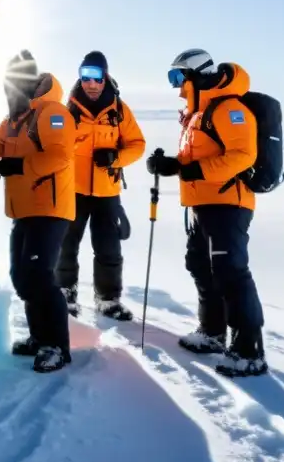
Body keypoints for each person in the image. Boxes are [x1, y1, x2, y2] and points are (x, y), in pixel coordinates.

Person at [0, 50, 77, 374]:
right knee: (21, 277)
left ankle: (57, 346)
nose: (12, 87)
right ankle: (38, 338)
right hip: (23, 211)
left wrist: (17, 165)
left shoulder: (53, 113)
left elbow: (60, 156)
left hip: (49, 209)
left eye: (18, 80)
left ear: (32, 81)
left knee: (39, 276)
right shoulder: (14, 120)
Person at [145, 48, 268, 377]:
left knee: (231, 271)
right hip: (203, 203)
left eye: (177, 77)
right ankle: (212, 332)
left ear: (196, 74)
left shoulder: (228, 108)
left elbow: (243, 155)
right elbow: (195, 162)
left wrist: (194, 171)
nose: (176, 86)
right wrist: (170, 166)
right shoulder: (197, 113)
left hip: (229, 203)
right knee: (200, 263)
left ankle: (249, 351)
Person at [55, 51, 146, 320]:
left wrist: (115, 157)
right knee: (66, 244)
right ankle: (65, 294)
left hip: (107, 192)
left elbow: (137, 145)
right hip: (72, 190)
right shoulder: (67, 110)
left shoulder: (119, 110)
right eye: (85, 76)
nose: (90, 83)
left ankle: (107, 300)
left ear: (104, 77)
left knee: (108, 248)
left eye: (96, 76)